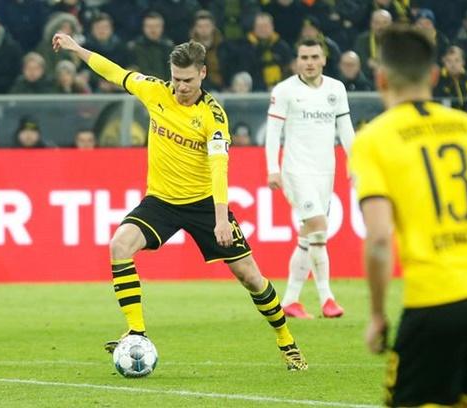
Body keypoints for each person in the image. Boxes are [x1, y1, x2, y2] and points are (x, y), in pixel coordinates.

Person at [53, 32, 308, 370]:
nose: (181, 87)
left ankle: (286, 341)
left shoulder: (213, 116)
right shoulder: (155, 91)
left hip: (204, 204)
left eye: (187, 80)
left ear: (202, 73)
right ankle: (137, 333)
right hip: (161, 201)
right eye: (176, 78)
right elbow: (114, 72)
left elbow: (219, 166)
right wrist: (76, 48)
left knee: (250, 276)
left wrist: (220, 219)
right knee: (119, 246)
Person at [349, 25, 467, 407]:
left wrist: (377, 314)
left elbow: (378, 238)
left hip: (438, 293)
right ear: (434, 74)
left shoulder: (374, 139)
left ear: (380, 77)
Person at [265, 39, 354, 319]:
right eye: (304, 57)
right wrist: (272, 168)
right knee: (318, 225)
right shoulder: (285, 91)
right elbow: (272, 133)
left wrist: (357, 162)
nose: (309, 62)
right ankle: (327, 298)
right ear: (297, 60)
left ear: (324, 59)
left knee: (310, 234)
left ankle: (290, 300)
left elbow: (346, 129)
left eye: (314, 56)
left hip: (325, 171)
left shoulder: (336, 89)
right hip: (295, 171)